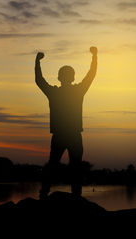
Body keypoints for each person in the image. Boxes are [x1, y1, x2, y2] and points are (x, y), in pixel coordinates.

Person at [35, 47, 97, 198]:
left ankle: (47, 193)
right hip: (69, 135)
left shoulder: (58, 92)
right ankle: (71, 195)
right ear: (72, 78)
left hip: (66, 134)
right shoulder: (74, 91)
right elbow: (91, 75)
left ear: (59, 78)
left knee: (60, 165)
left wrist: (37, 62)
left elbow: (39, 80)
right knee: (68, 166)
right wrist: (94, 57)